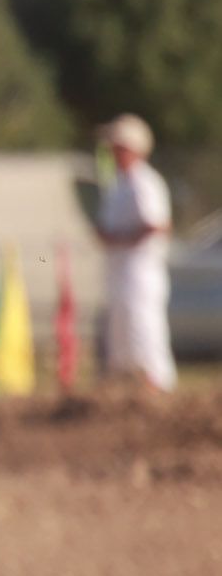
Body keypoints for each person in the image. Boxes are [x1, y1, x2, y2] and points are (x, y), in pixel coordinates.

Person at [88, 113, 175, 392]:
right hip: (120, 273)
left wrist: (120, 239)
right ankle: (126, 396)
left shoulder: (144, 183)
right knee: (121, 339)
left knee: (144, 335)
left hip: (140, 274)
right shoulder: (118, 185)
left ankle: (157, 392)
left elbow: (158, 226)